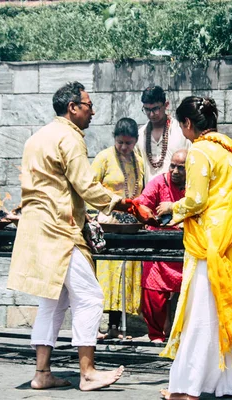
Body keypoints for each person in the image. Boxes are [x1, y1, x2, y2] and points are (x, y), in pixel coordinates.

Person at [7, 81, 125, 391]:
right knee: (90, 297)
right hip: (59, 230)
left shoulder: (37, 137)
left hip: (36, 229)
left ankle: (42, 373)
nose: (92, 111)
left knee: (53, 301)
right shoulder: (70, 138)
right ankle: (87, 372)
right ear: (72, 108)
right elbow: (85, 186)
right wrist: (121, 202)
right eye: (88, 105)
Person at [157, 96, 232, 400]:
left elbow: (196, 200)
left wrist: (172, 206)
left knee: (202, 315)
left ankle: (188, 387)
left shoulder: (200, 151)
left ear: (188, 124)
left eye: (182, 126)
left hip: (211, 245)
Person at [90, 118, 145, 339]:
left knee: (125, 271)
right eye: (120, 142)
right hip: (108, 222)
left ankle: (117, 327)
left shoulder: (138, 161)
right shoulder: (103, 158)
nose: (124, 147)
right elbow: (89, 186)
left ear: (135, 142)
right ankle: (95, 328)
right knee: (106, 273)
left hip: (129, 223)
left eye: (128, 143)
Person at [135, 149, 188, 343]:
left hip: (186, 247)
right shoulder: (158, 183)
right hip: (158, 245)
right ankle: (156, 335)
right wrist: (154, 217)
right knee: (154, 292)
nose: (175, 171)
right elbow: (141, 206)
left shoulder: (194, 186)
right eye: (172, 166)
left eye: (181, 168)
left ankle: (182, 334)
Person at [137, 86, 191, 185]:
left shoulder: (181, 131)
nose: (152, 114)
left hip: (177, 196)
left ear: (166, 105)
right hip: (149, 196)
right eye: (147, 110)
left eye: (155, 109)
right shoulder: (140, 135)